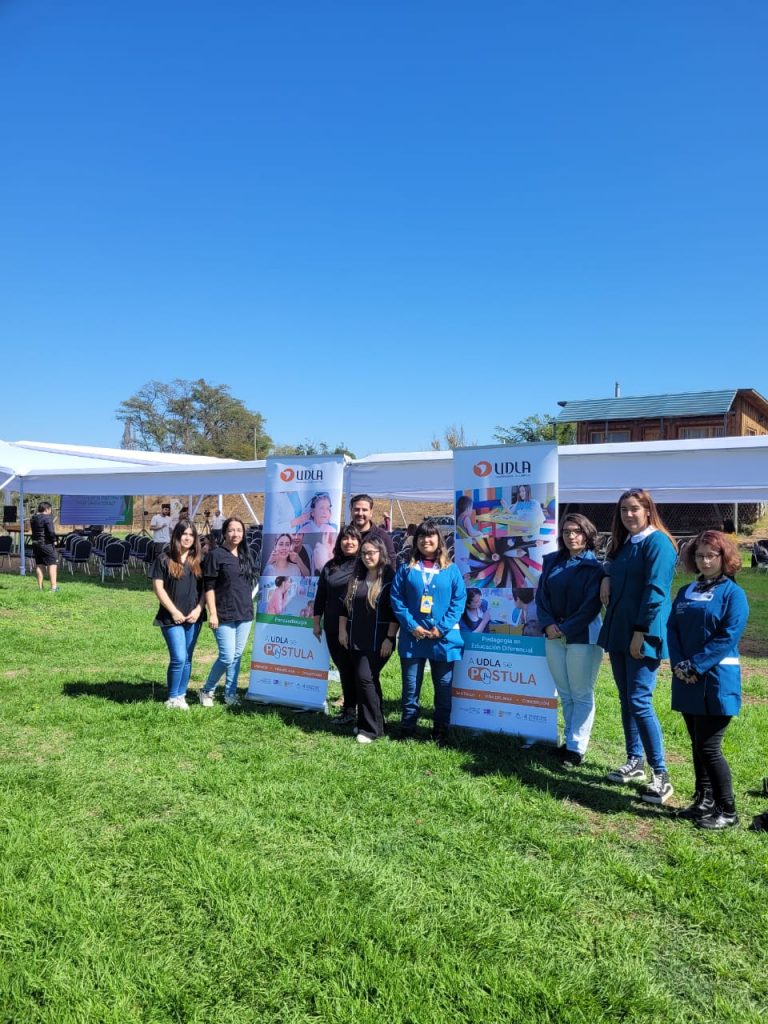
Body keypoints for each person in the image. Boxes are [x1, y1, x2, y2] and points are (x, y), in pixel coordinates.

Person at [599, 488, 678, 804]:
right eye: (623, 510)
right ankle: (635, 762)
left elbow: (656, 591)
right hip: (619, 629)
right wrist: (606, 575)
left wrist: (640, 632)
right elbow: (614, 566)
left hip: (642, 632)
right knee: (625, 698)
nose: (628, 515)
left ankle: (662, 775)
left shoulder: (657, 542)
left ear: (648, 510)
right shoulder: (624, 543)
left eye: (634, 509)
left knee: (640, 700)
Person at [668, 531, 749, 830]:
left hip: (716, 678)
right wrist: (679, 664)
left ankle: (728, 811)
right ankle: (704, 800)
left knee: (709, 747)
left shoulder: (733, 593)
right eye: (700, 555)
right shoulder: (685, 592)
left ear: (723, 558)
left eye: (711, 555)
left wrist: (697, 666)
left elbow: (728, 635)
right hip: (685, 677)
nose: (705, 560)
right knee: (696, 743)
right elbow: (672, 628)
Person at [535, 514, 604, 767]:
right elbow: (541, 597)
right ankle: (570, 742)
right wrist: (548, 624)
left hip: (582, 636)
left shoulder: (595, 568)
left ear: (587, 534)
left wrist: (564, 628)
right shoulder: (552, 561)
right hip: (552, 633)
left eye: (576, 531)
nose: (571, 535)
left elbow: (591, 606)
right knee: (565, 692)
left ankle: (576, 748)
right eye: (566, 531)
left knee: (581, 692)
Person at [390, 521, 466, 745]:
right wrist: (412, 625)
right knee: (411, 686)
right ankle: (408, 728)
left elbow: (459, 600)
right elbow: (396, 599)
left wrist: (440, 628)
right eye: (422, 537)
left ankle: (440, 730)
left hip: (442, 640)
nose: (426, 541)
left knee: (443, 687)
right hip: (413, 638)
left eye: (431, 536)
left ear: (438, 540)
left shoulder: (451, 570)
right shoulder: (406, 569)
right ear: (416, 541)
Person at [338, 536, 398, 744]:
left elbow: (394, 613)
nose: (367, 556)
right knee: (366, 680)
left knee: (365, 678)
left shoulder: (390, 577)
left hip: (379, 641)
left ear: (381, 553)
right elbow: (345, 606)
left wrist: (390, 638)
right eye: (364, 553)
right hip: (355, 638)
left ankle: (371, 730)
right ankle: (374, 723)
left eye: (372, 552)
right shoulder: (357, 576)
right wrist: (342, 630)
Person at [199, 516, 255, 708]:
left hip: (245, 613)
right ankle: (207, 689)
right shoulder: (216, 555)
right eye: (231, 530)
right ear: (224, 533)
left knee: (237, 656)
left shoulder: (245, 555)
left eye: (239, 530)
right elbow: (209, 586)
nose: (235, 534)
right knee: (227, 656)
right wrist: (212, 612)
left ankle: (230, 692)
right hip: (223, 613)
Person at [150, 520, 206, 710]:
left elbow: (206, 590)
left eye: (191, 534)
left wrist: (198, 609)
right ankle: (172, 697)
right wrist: (174, 611)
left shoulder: (199, 560)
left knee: (188, 658)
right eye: (184, 534)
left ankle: (181, 696)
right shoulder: (163, 559)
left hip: (194, 617)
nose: (188, 537)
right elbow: (158, 588)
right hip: (170, 617)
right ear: (177, 536)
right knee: (179, 658)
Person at [313, 525, 362, 724]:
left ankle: (366, 711)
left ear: (359, 543)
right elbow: (320, 597)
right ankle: (349, 711)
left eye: (353, 539)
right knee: (344, 668)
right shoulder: (330, 566)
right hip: (333, 625)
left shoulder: (364, 565)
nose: (348, 542)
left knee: (360, 670)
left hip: (359, 626)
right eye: (345, 538)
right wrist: (316, 623)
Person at [349, 493, 396, 565]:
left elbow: (391, 564)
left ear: (371, 512)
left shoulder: (382, 537)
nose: (360, 513)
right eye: (356, 509)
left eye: (364, 510)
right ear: (351, 511)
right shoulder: (344, 536)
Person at [30, 501, 59, 591]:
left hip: (35, 544)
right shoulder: (47, 518)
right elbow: (51, 531)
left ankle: (40, 588)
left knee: (39, 564)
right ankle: (54, 588)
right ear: (47, 509)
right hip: (45, 544)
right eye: (50, 509)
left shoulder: (33, 518)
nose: (50, 511)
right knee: (52, 564)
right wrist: (54, 541)